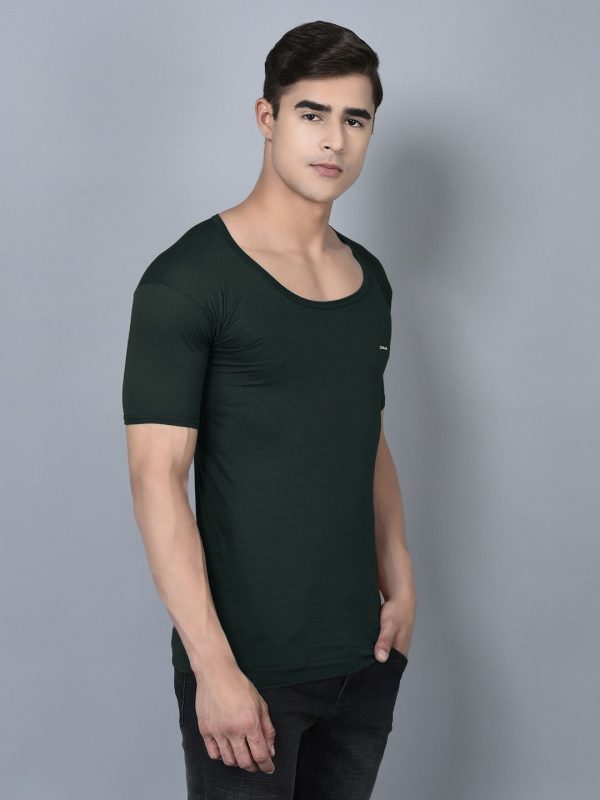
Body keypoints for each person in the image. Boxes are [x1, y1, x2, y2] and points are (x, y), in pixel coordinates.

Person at [122, 18, 417, 800]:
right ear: (267, 117)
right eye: (312, 113)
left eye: (355, 120)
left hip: (363, 662)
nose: (334, 140)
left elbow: (363, 431)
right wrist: (213, 668)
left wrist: (402, 581)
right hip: (248, 673)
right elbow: (156, 480)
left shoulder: (371, 279)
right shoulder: (187, 281)